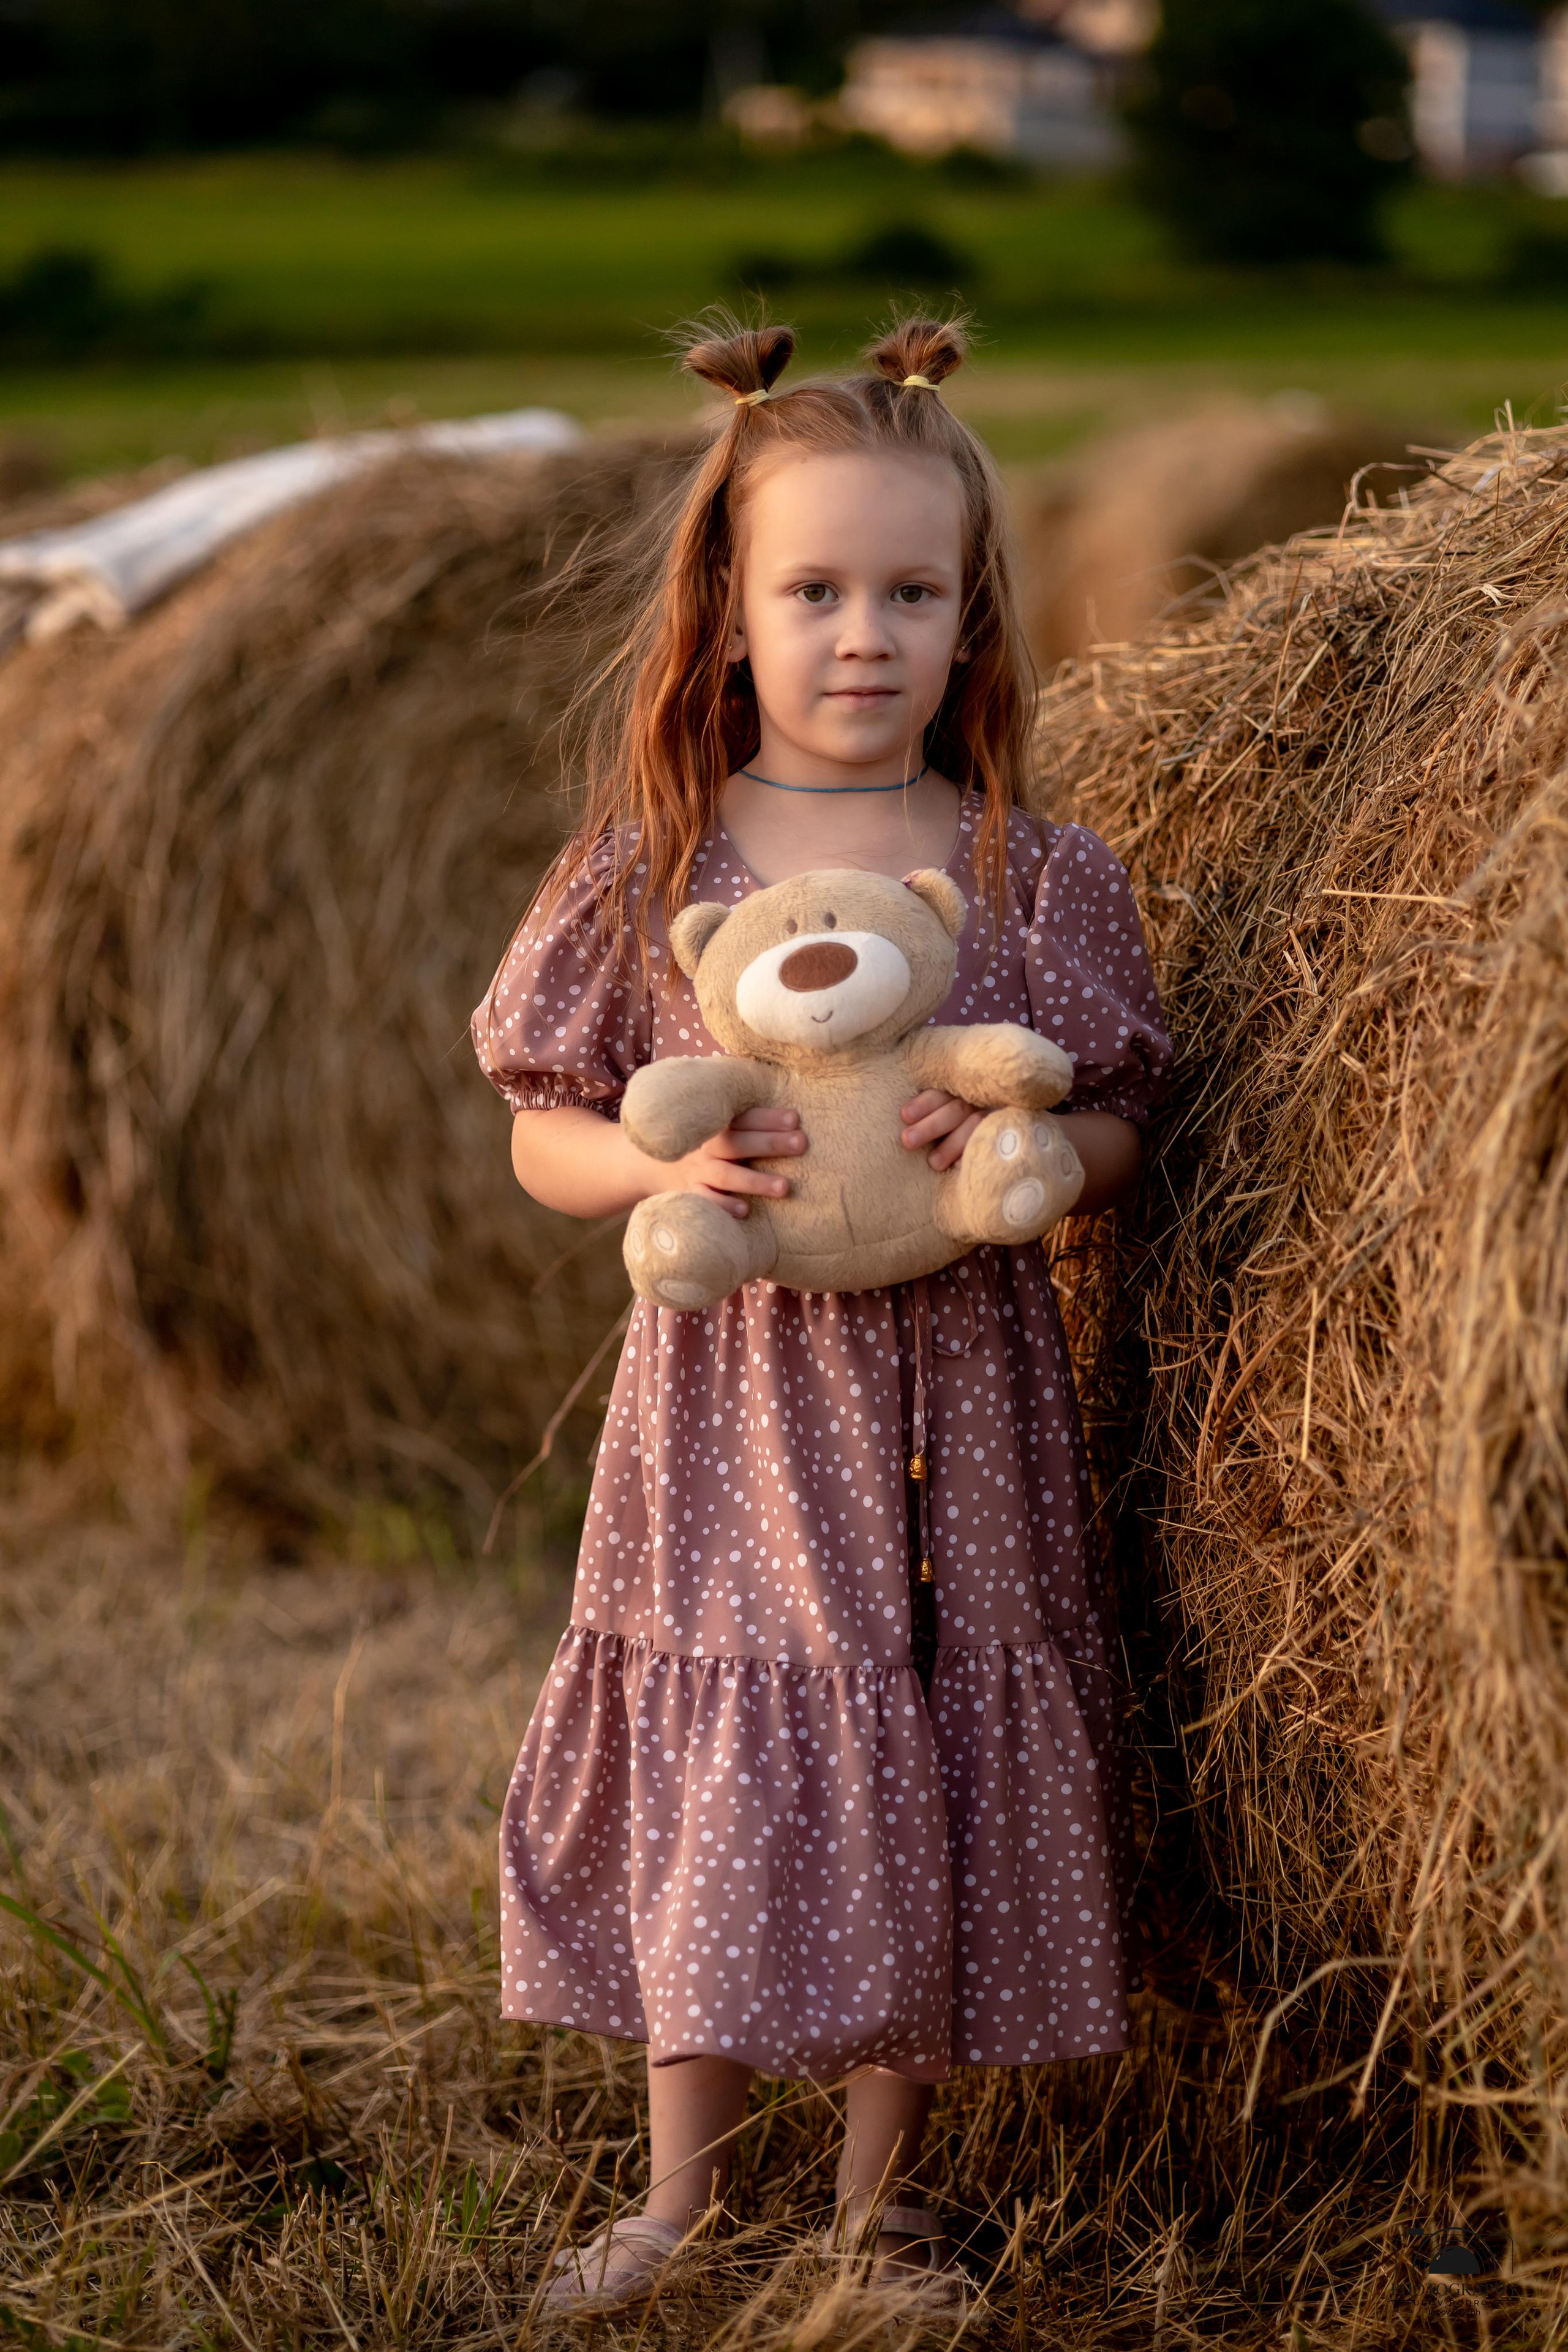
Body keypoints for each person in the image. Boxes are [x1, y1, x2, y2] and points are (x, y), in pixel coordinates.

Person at [472, 313, 1172, 2312]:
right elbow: (543, 1130)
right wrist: (658, 1168)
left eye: (912, 590)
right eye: (817, 588)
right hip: (734, 1411)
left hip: (965, 1400)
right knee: (729, 1733)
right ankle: (676, 2199)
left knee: (934, 1737)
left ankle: (881, 2208)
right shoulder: (654, 875)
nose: (866, 632)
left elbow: (1122, 1117)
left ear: (973, 622)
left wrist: (1025, 1157)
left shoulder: (1038, 878)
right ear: (727, 613)